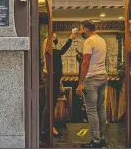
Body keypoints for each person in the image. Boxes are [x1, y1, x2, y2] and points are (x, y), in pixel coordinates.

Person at [76, 20, 108, 148]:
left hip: (92, 78)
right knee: (101, 108)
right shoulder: (102, 40)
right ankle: (101, 137)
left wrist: (80, 83)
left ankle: (96, 141)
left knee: (92, 110)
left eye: (82, 29)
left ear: (85, 29)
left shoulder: (88, 41)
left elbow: (85, 63)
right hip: (103, 77)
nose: (81, 31)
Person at [41, 32, 76, 139]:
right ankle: (46, 130)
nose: (54, 39)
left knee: (51, 104)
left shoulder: (52, 51)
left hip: (54, 79)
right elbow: (62, 51)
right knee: (49, 105)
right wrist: (70, 38)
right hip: (51, 78)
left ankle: (49, 128)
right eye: (52, 37)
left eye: (55, 37)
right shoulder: (50, 49)